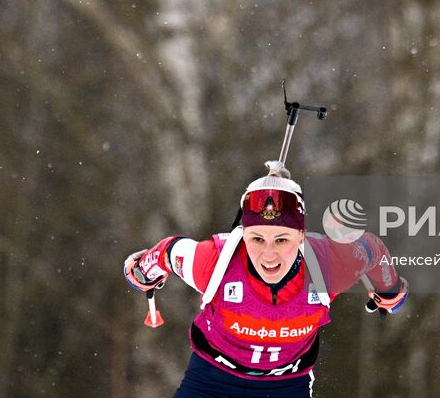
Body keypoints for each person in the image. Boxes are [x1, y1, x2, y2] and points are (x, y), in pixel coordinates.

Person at [124, 164, 408, 397]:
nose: (268, 254)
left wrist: (390, 291)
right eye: (257, 239)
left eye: (282, 239)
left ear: (301, 236)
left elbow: (373, 250)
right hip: (212, 380)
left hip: (286, 385)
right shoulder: (212, 262)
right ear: (243, 233)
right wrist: (141, 273)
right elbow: (168, 252)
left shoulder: (330, 264)